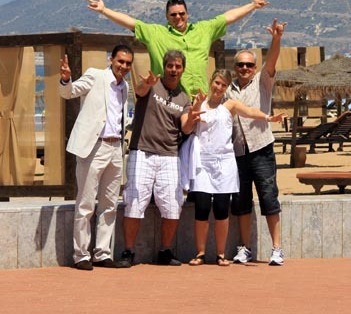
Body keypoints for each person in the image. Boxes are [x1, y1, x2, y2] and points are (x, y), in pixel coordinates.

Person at [180, 69, 285, 267]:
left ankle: (220, 254)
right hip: (203, 163)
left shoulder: (230, 105)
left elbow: (250, 112)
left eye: (223, 85)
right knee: (202, 207)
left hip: (225, 163)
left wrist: (268, 118)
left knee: (222, 209)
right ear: (211, 81)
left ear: (227, 88)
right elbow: (187, 127)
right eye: (217, 83)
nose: (219, 87)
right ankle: (200, 253)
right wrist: (196, 106)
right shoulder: (199, 103)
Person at [84, 0, 270, 96]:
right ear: (167, 17)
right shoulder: (156, 33)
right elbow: (130, 22)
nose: (178, 17)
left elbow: (228, 17)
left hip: (200, 99)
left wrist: (252, 5)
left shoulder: (203, 29)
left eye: (181, 13)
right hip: (170, 100)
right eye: (173, 14)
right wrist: (104, 10)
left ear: (187, 14)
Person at [117, 50, 200, 267]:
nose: (174, 70)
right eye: (170, 65)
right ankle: (128, 251)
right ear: (165, 67)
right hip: (142, 152)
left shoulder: (184, 98)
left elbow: (186, 127)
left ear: (183, 69)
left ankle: (165, 251)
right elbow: (140, 91)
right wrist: (146, 84)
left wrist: (193, 117)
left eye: (178, 66)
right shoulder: (153, 85)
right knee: (134, 203)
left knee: (173, 206)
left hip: (169, 156)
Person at [58, 45, 134, 270]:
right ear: (111, 60)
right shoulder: (95, 75)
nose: (124, 66)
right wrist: (66, 79)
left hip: (115, 148)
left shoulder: (125, 86)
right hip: (94, 147)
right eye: (120, 61)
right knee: (86, 203)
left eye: (128, 63)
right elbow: (69, 93)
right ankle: (81, 255)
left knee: (110, 204)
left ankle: (102, 253)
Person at [226, 18, 287, 265]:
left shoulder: (263, 81)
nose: (245, 68)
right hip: (237, 152)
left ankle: (277, 248)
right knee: (241, 202)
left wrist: (276, 39)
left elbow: (272, 60)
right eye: (240, 64)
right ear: (235, 67)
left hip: (262, 149)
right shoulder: (228, 90)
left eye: (249, 65)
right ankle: (244, 248)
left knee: (269, 197)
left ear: (254, 67)